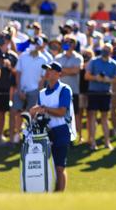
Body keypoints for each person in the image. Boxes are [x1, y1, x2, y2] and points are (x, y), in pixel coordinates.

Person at [30, 62, 75, 192]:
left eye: (51, 70)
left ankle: (59, 197)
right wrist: (33, 112)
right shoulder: (42, 92)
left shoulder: (64, 89)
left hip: (61, 130)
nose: (47, 73)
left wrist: (43, 109)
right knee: (49, 166)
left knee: (59, 166)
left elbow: (62, 111)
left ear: (58, 74)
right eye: (47, 70)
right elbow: (38, 111)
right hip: (45, 132)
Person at [10, 37, 47, 143]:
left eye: (35, 43)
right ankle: (15, 135)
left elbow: (42, 78)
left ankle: (28, 135)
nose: (33, 45)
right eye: (31, 43)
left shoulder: (43, 59)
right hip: (21, 89)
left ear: (40, 46)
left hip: (34, 91)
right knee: (15, 112)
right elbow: (18, 73)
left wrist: (38, 93)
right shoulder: (23, 56)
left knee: (31, 115)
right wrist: (19, 89)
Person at [84, 43, 116, 150]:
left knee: (104, 118)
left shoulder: (114, 63)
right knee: (92, 117)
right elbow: (87, 76)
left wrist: (108, 79)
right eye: (104, 49)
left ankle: (107, 141)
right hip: (94, 92)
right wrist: (96, 78)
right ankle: (93, 142)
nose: (106, 51)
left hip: (105, 93)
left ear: (111, 52)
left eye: (108, 49)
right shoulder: (94, 61)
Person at [55, 36, 84, 142]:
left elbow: (75, 71)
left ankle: (77, 137)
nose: (66, 44)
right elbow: (55, 72)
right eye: (65, 42)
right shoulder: (58, 57)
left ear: (73, 45)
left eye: (69, 42)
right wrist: (68, 70)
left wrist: (62, 70)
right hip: (59, 91)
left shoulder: (78, 57)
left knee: (75, 114)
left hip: (73, 91)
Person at [0, 30, 18, 145]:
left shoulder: (13, 56)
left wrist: (10, 66)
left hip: (6, 89)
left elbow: (17, 73)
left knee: (2, 113)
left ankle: (0, 134)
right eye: (1, 38)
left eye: (5, 38)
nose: (3, 41)